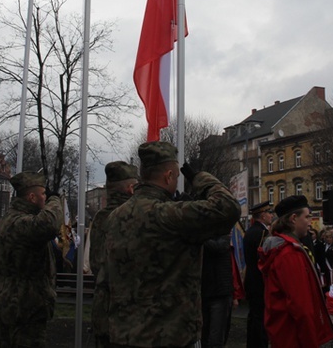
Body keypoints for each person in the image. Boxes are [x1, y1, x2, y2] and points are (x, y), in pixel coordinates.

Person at [104, 141, 241, 348]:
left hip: (123, 335)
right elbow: (229, 207)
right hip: (167, 336)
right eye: (176, 176)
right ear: (168, 176)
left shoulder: (115, 216)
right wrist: (200, 178)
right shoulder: (168, 215)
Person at [0, 171, 62, 348]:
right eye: (43, 194)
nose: (46, 198)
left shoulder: (7, 220)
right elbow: (49, 224)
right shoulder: (19, 222)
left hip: (10, 302)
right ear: (32, 197)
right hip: (25, 306)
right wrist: (55, 200)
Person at [259, 195, 333, 347]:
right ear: (294, 218)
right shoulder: (289, 254)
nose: (309, 222)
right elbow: (301, 307)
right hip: (293, 338)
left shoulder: (285, 249)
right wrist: (311, 342)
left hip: (284, 334)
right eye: (307, 217)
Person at [89, 161, 138, 348]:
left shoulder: (101, 218)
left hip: (103, 309)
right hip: (129, 314)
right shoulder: (132, 217)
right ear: (131, 188)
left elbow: (95, 264)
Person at [242, 200, 273, 348]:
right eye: (269, 212)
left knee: (253, 317)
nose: (271, 215)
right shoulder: (262, 233)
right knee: (260, 319)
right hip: (260, 281)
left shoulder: (250, 231)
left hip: (251, 280)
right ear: (263, 215)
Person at [201, 233, 235, 348]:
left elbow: (218, 248)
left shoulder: (223, 236)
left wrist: (199, 237)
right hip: (206, 291)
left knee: (216, 337)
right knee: (204, 335)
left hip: (219, 292)